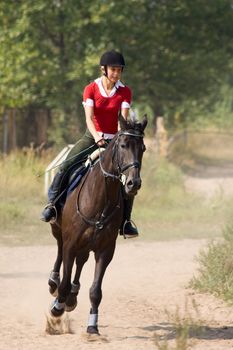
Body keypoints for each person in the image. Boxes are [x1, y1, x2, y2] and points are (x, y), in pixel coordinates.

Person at [41, 50, 139, 238]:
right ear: (104, 69)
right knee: (66, 165)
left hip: (115, 141)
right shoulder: (91, 88)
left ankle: (126, 221)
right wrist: (97, 138)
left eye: (119, 70)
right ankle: (52, 205)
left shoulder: (125, 91)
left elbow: (123, 121)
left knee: (129, 177)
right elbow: (89, 118)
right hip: (91, 136)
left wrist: (118, 140)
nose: (116, 73)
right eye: (113, 69)